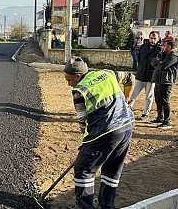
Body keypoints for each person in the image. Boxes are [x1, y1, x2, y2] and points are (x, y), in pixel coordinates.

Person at [64, 57, 134, 209]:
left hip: (106, 132)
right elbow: (130, 77)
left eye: (69, 80)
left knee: (83, 169)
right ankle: (106, 205)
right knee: (112, 168)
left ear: (77, 76)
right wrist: (127, 98)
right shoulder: (108, 73)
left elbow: (83, 122)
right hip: (127, 126)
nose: (68, 84)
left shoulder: (79, 90)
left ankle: (85, 206)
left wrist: (85, 144)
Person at [128, 31, 162, 120]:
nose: (153, 40)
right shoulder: (143, 47)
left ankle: (145, 114)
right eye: (151, 38)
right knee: (133, 95)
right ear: (149, 38)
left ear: (158, 39)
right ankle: (127, 110)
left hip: (151, 78)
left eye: (155, 38)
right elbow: (139, 59)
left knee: (149, 97)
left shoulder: (160, 50)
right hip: (140, 76)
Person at [151, 40, 178, 129]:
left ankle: (167, 121)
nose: (163, 47)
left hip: (166, 81)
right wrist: (159, 61)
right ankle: (160, 118)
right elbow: (153, 63)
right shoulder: (163, 54)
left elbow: (164, 66)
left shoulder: (174, 55)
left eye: (165, 46)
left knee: (165, 101)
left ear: (170, 47)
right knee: (158, 100)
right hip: (159, 80)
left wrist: (159, 62)